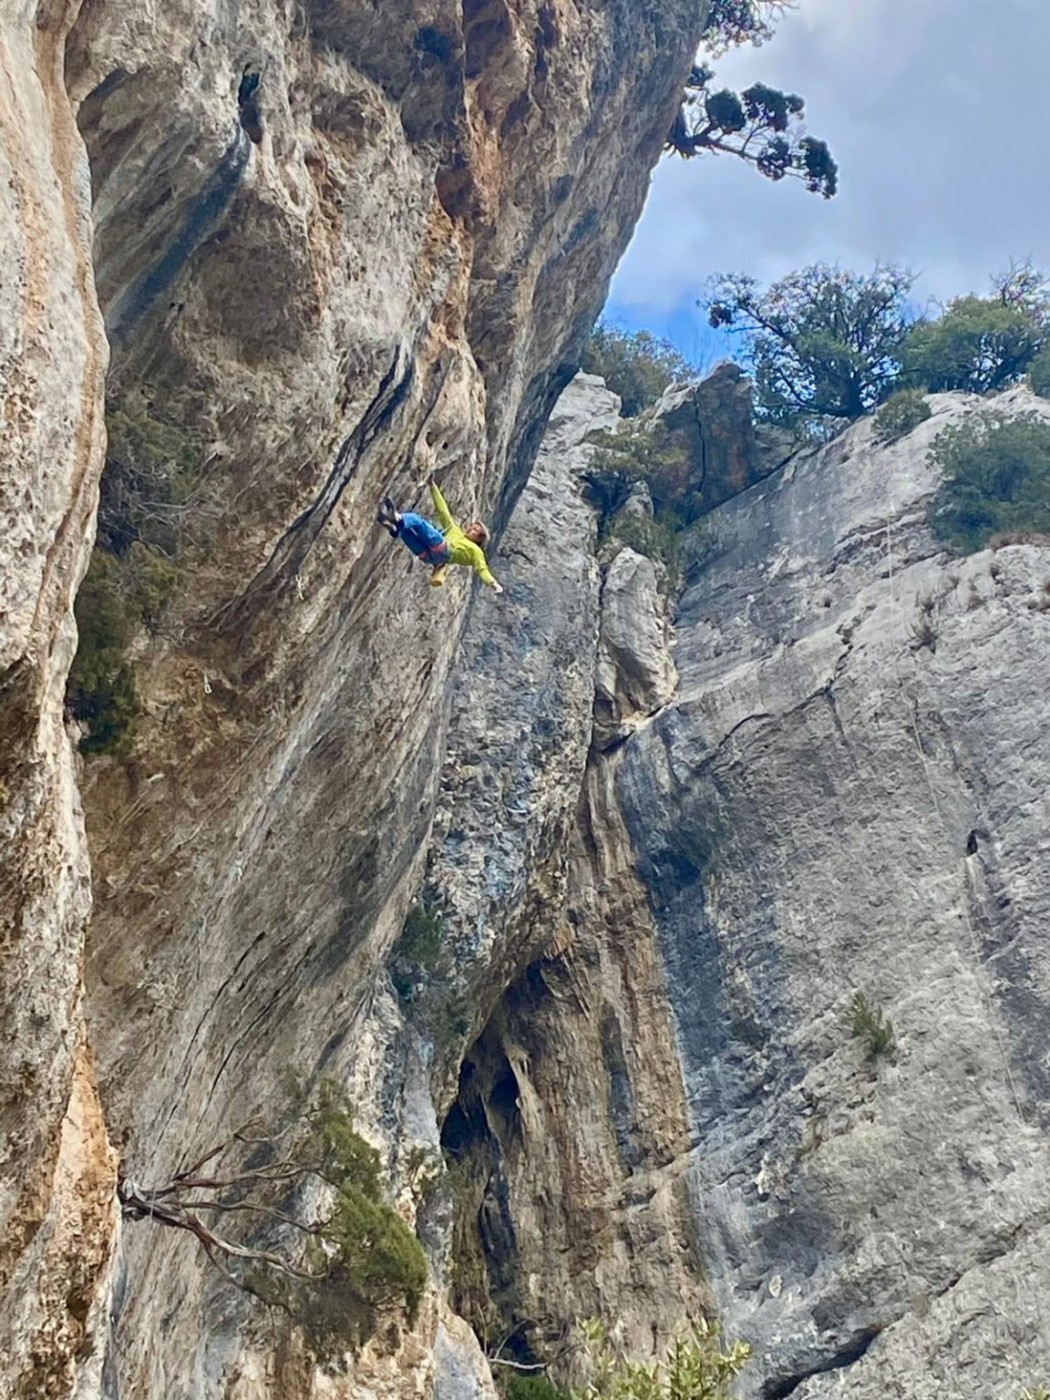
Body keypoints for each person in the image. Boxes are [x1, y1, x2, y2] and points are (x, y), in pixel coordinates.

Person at [378, 476, 504, 592]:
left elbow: (482, 569)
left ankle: (397, 518)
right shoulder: (456, 532)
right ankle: (394, 529)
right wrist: (433, 487)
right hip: (428, 557)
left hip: (443, 548)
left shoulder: (476, 552)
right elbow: (443, 512)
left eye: (475, 530)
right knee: (407, 531)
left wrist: (492, 583)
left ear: (478, 539)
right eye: (473, 527)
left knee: (417, 521)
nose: (471, 529)